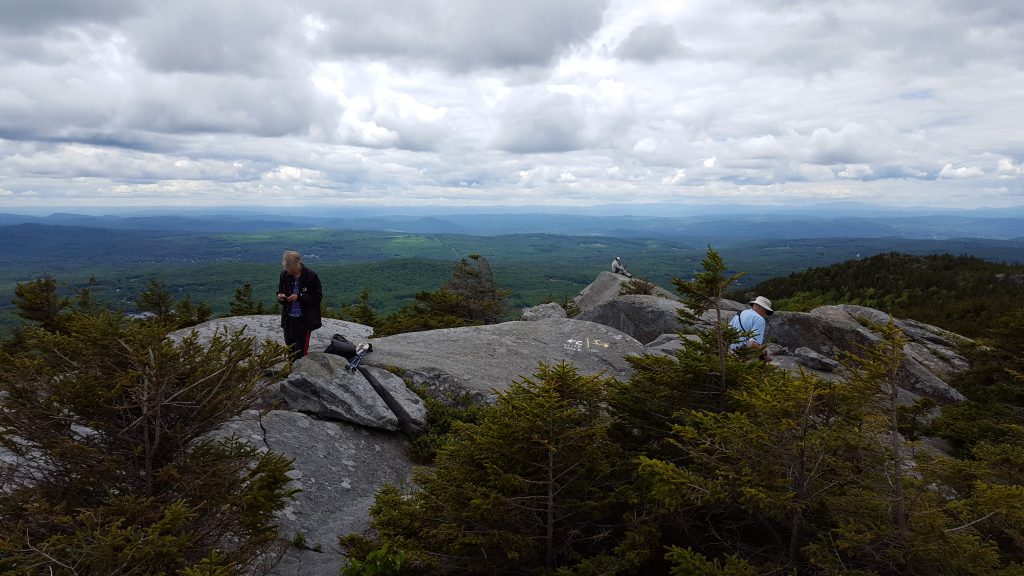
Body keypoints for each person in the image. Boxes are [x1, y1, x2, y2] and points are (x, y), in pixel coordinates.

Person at [277, 251, 323, 359]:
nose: (289, 271)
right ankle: (291, 372)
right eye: (287, 268)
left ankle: (300, 374)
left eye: (290, 268)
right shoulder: (284, 275)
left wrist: (299, 297)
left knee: (300, 354)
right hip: (288, 320)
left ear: (298, 264)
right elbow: (280, 292)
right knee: (290, 351)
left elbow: (317, 298)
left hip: (304, 322)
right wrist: (280, 296)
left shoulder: (311, 276)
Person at [729, 295, 773, 362]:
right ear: (761, 308)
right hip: (744, 356)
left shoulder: (740, 313)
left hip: (730, 353)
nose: (765, 314)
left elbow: (728, 332)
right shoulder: (759, 319)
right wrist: (765, 354)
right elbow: (752, 343)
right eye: (766, 311)